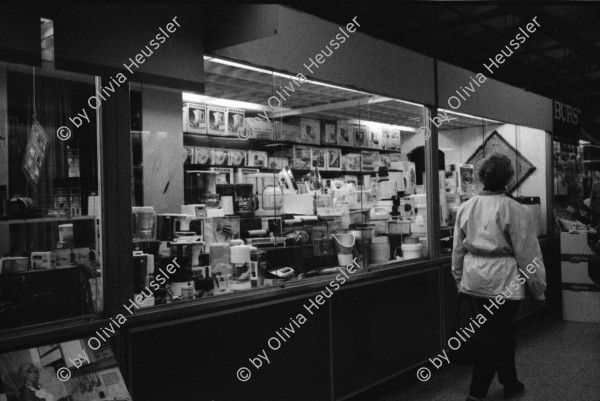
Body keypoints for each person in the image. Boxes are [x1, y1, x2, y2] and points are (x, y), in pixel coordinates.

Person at [452, 153, 547, 401]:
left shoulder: (466, 207)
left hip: (473, 282)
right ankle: (476, 393)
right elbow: (528, 255)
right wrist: (539, 290)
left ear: (482, 177)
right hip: (503, 284)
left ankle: (510, 381)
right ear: (508, 178)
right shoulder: (514, 209)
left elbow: (458, 250)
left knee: (498, 332)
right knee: (495, 336)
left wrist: (459, 280)